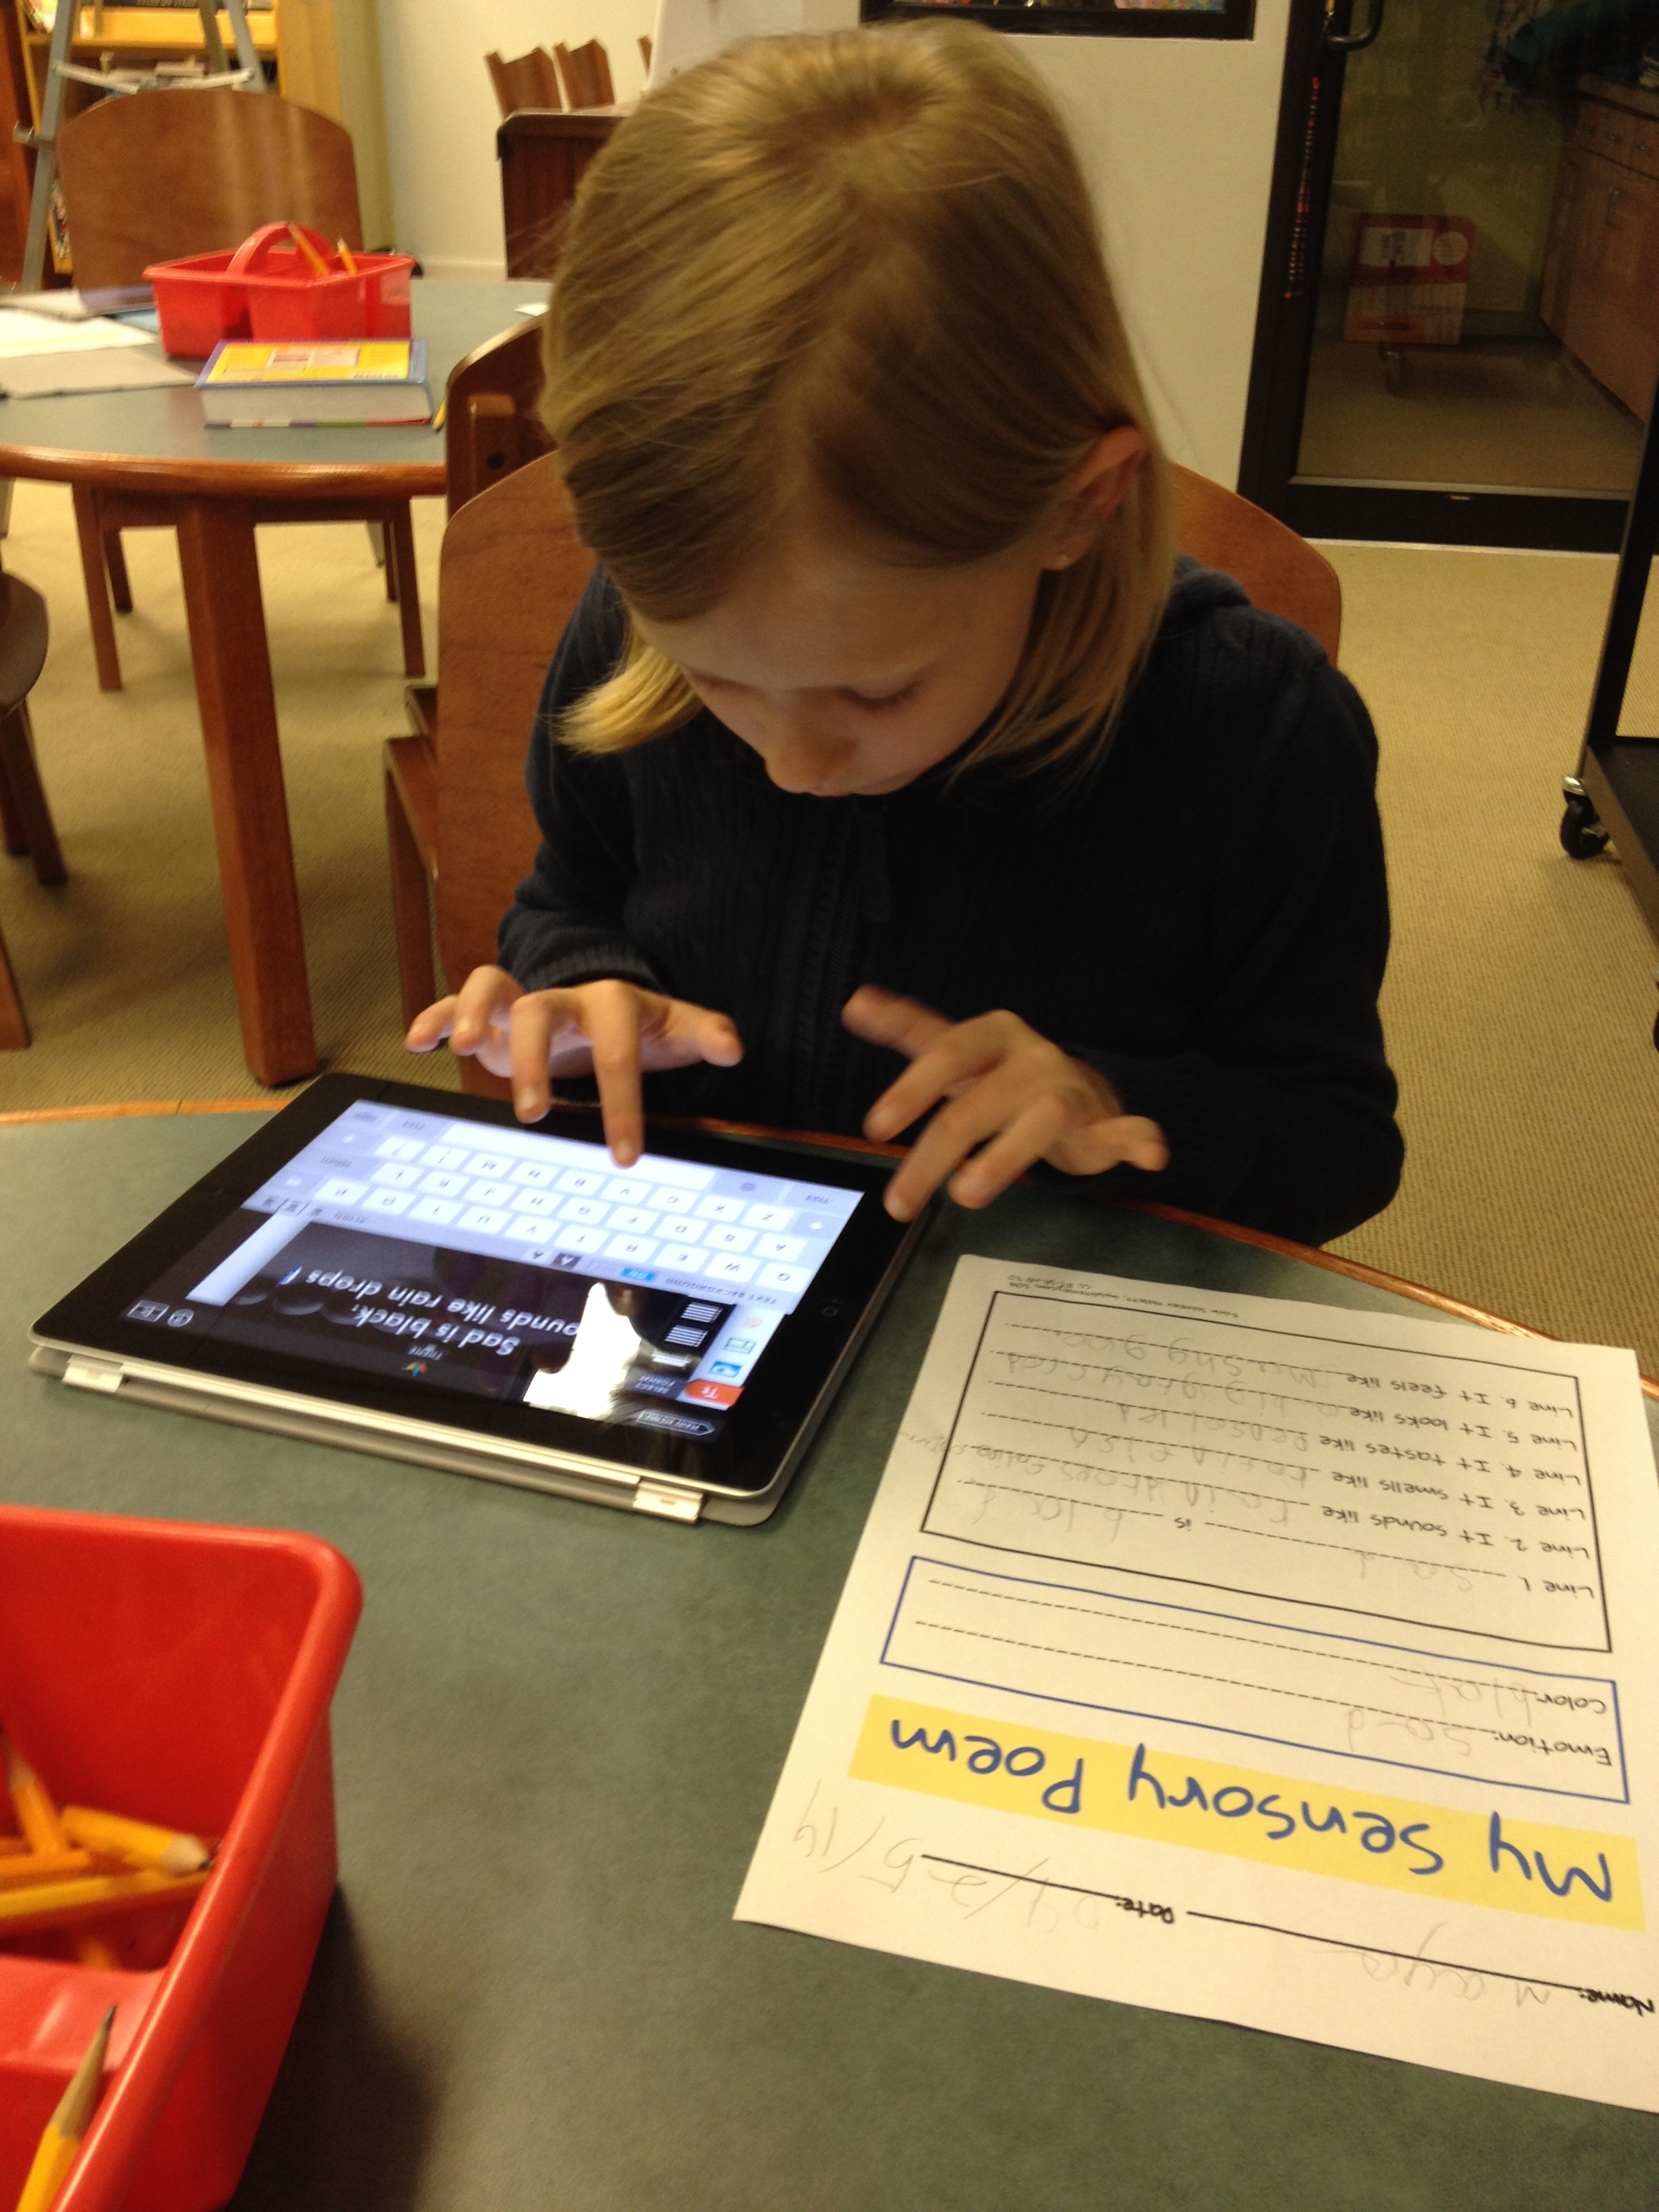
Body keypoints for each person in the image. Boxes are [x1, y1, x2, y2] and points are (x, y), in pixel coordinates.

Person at [407, 21, 1402, 1249]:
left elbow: (1337, 1146)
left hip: (1038, 1322)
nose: (793, 765)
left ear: (1078, 507)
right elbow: (568, 892)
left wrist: (1118, 1105)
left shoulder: (1256, 732)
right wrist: (581, 984)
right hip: (708, 1283)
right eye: (715, 676)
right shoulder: (628, 626)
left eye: (877, 694)